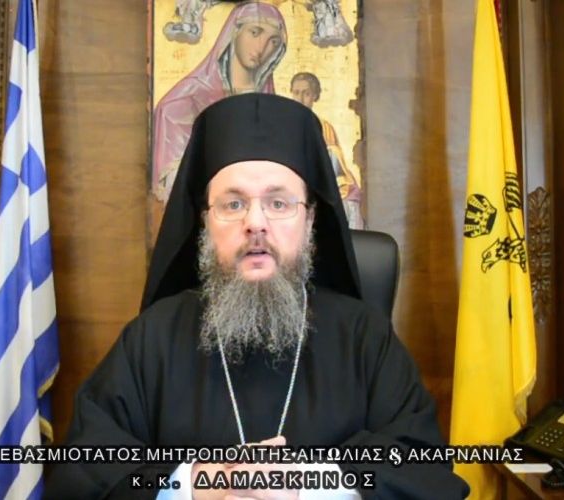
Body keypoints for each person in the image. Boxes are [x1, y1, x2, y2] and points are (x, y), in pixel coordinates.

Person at [44, 94, 469, 499]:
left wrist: (308, 486)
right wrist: (194, 484)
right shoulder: (151, 339)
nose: (255, 223)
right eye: (232, 205)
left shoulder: (364, 337)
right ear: (205, 222)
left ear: (310, 220)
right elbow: (84, 473)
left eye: (278, 203)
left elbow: (424, 470)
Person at [152, 2, 288, 203]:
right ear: (234, 32)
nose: (262, 47)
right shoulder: (181, 104)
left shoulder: (273, 110)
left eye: (273, 41)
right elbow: (177, 191)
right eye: (255, 32)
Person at [289, 72, 363, 229]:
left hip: (320, 181)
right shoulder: (284, 127)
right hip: (292, 183)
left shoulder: (324, 127)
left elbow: (335, 165)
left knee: (349, 197)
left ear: (315, 96)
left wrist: (328, 155)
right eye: (296, 93)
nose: (300, 98)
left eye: (306, 93)